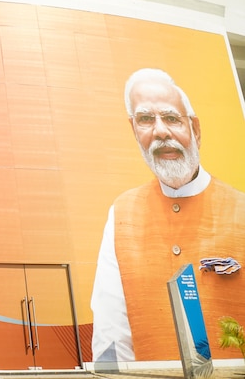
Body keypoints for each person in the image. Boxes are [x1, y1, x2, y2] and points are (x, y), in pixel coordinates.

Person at [91, 68, 245, 362]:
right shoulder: (121, 215)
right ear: (134, 131)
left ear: (195, 129)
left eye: (171, 118)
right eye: (146, 120)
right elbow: (111, 336)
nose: (160, 131)